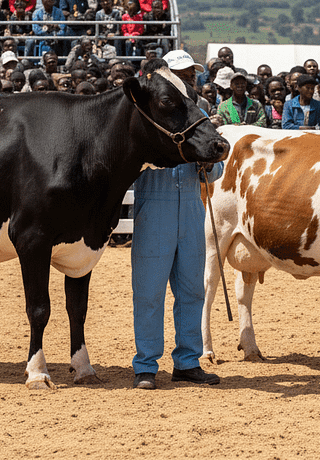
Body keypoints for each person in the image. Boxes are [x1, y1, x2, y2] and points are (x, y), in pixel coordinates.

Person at [130, 54, 222, 390]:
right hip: (155, 206)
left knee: (192, 290)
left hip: (192, 209)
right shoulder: (147, 112)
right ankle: (146, 365)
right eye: (182, 74)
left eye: (192, 74)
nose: (189, 79)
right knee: (149, 292)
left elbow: (217, 168)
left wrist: (209, 162)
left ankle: (187, 362)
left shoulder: (199, 112)